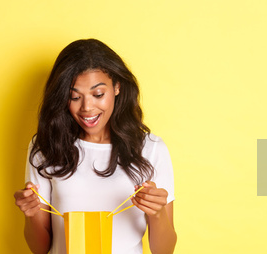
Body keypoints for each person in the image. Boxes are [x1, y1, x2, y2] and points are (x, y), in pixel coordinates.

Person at [13, 39, 177, 254]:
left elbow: (164, 251)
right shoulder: (46, 146)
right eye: (74, 97)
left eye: (98, 94)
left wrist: (157, 214)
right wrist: (31, 214)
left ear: (117, 87)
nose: (87, 107)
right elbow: (40, 249)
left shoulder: (151, 149)